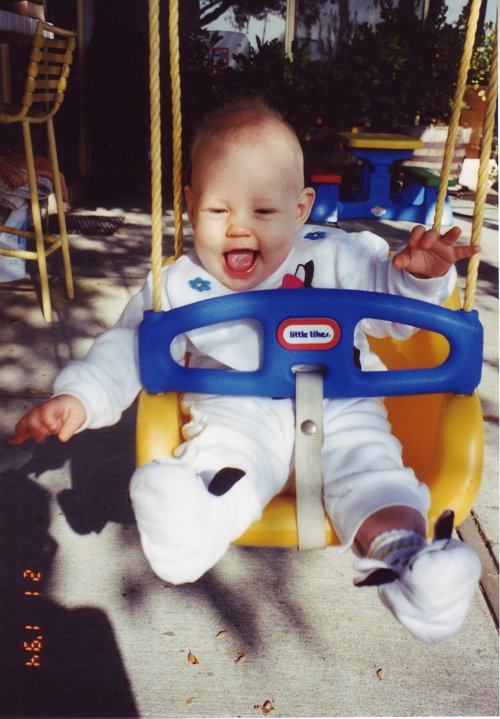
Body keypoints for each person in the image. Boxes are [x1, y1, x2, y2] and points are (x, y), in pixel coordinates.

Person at [9, 97, 482, 644]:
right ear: (189, 204)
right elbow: (130, 343)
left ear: (302, 208)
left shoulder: (341, 256)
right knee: (220, 465)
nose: (238, 228)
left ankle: (413, 572)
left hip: (344, 408)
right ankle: (188, 531)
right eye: (218, 210)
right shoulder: (181, 283)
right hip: (237, 414)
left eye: (262, 212)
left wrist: (419, 278)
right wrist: (83, 396)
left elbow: (399, 321)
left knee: (374, 475)